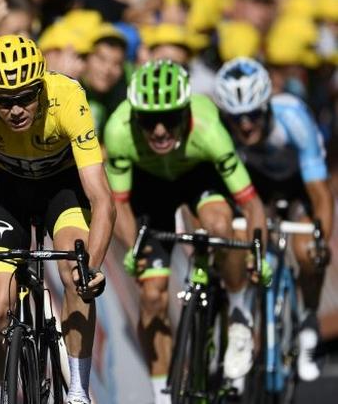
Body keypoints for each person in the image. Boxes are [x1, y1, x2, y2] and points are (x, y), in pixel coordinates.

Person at [0, 35, 115, 404]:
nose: (16, 109)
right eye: (4, 101)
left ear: (42, 87)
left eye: (26, 97)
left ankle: (78, 390)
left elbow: (101, 198)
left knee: (74, 271)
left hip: (62, 190)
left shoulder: (68, 98)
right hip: (7, 194)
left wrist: (91, 267)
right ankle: (3, 397)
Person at [103, 59, 270, 402]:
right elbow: (118, 204)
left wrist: (257, 253)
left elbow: (251, 204)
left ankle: (238, 312)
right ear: (135, 117)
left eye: (169, 119)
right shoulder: (119, 130)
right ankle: (161, 395)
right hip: (151, 189)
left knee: (221, 227)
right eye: (149, 121)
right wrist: (134, 248)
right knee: (151, 296)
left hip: (198, 177)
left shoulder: (208, 127)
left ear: (186, 114)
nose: (160, 130)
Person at [214, 57, 333, 382]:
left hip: (297, 187)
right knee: (236, 243)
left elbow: (321, 194)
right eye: (237, 118)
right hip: (251, 190)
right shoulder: (221, 129)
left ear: (267, 105)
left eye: (253, 114)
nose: (246, 125)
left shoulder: (292, 118)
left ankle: (308, 318)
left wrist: (321, 241)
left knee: (308, 250)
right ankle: (240, 318)